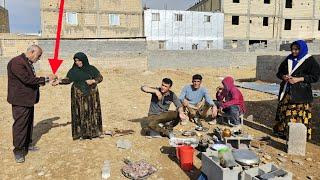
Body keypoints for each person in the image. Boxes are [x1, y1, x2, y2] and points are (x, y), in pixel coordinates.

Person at [7, 45, 57, 163]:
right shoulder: (17, 62)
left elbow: (31, 81)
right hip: (20, 101)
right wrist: (46, 79)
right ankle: (19, 151)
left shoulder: (27, 62)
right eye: (38, 56)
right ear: (32, 52)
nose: (39, 59)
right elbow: (27, 80)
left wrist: (47, 81)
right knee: (20, 125)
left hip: (27, 99)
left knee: (28, 123)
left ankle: (27, 145)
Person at [273, 40, 320, 140]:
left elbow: (315, 77)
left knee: (297, 114)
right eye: (292, 49)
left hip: (301, 94)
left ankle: (298, 137)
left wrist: (299, 79)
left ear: (302, 49)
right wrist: (284, 77)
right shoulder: (289, 59)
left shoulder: (310, 61)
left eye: (296, 49)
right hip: (287, 92)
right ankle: (283, 133)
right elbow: (279, 73)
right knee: (285, 113)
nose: (294, 51)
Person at [53, 52, 103, 140]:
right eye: (76, 61)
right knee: (80, 112)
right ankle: (82, 133)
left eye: (79, 61)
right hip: (78, 95)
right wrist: (59, 82)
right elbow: (68, 80)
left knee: (91, 112)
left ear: (84, 60)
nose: (78, 63)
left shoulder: (92, 69)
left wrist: (93, 81)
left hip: (91, 95)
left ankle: (93, 132)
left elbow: (100, 77)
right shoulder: (73, 71)